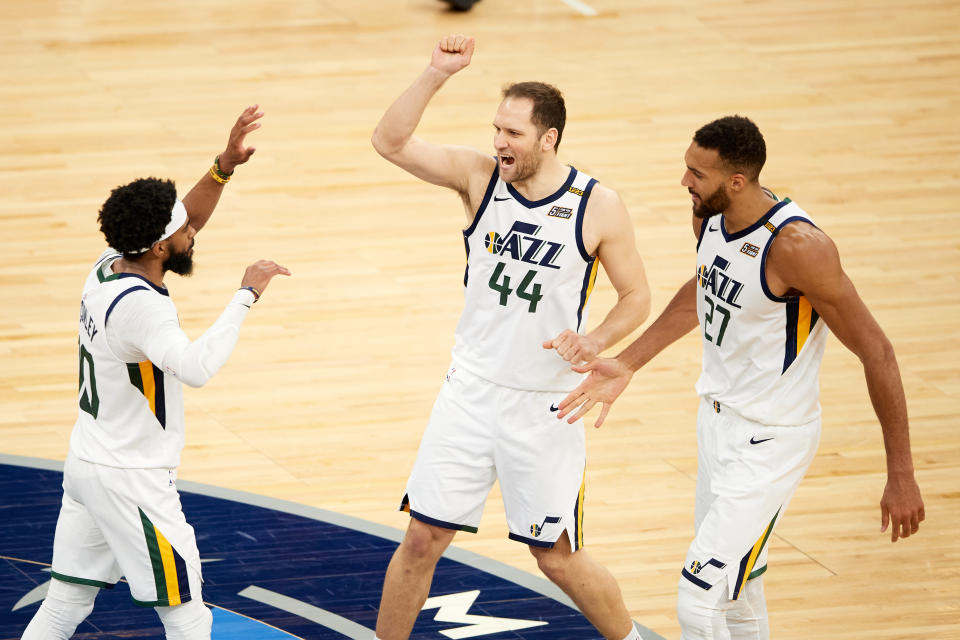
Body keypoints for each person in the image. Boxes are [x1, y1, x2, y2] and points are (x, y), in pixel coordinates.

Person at [557, 115, 925, 639]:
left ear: (737, 181)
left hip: (773, 438)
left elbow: (879, 354)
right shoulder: (709, 216)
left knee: (699, 595)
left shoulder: (799, 248)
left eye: (696, 173)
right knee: (738, 590)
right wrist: (631, 361)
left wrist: (902, 472)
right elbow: (704, 288)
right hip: (717, 426)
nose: (684, 181)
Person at [370, 34, 652, 640]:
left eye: (514, 134)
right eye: (497, 129)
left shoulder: (597, 205)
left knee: (555, 556)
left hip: (543, 405)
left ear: (548, 139)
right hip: (469, 391)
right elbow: (388, 142)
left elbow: (638, 298)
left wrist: (597, 338)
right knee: (422, 538)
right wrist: (435, 73)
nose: (500, 142)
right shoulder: (479, 178)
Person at [21, 106, 290, 640]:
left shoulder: (107, 264)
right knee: (187, 614)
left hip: (88, 462)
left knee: (64, 605)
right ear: (161, 246)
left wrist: (224, 167)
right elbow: (195, 368)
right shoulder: (144, 309)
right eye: (185, 230)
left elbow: (185, 216)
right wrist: (246, 294)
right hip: (132, 479)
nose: (195, 229)